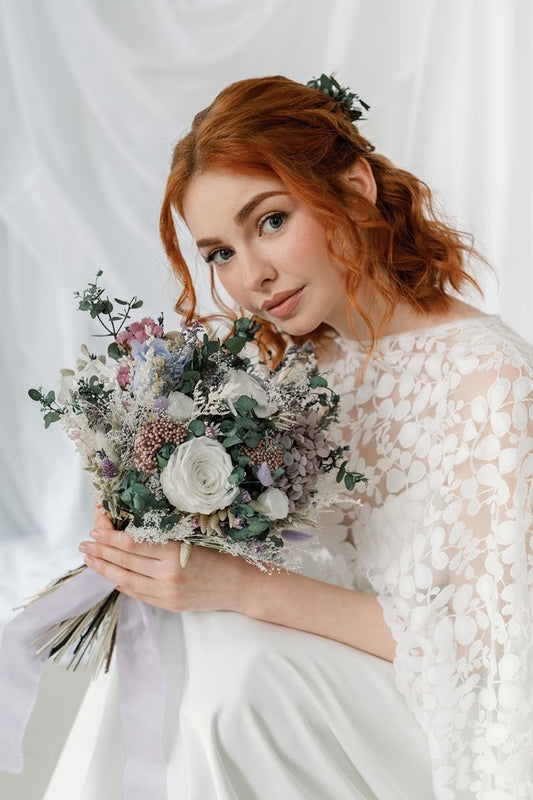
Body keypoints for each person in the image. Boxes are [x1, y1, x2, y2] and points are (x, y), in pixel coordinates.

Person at [46, 75, 532, 799]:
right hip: (319, 678)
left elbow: (488, 655)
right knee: (183, 643)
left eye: (270, 221)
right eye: (219, 253)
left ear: (355, 184)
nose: (252, 276)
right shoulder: (286, 369)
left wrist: (242, 588)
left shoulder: (486, 378)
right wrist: (145, 521)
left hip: (437, 713)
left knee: (242, 682)